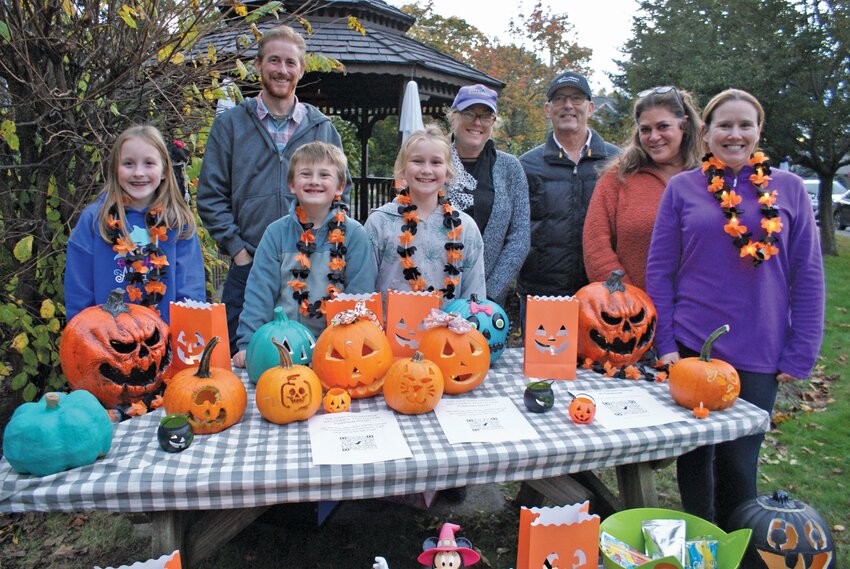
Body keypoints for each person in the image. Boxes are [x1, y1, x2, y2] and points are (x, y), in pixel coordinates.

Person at [645, 89, 824, 528]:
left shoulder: (791, 189)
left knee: (740, 466)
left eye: (746, 124)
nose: (735, 134)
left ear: (759, 131)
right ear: (705, 133)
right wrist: (665, 342)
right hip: (692, 348)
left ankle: (736, 541)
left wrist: (800, 350)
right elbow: (660, 270)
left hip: (760, 348)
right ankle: (702, 542)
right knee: (694, 461)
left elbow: (809, 276)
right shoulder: (683, 188)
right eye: (725, 125)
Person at [197, 24, 351, 355]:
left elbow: (343, 192)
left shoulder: (321, 128)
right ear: (259, 65)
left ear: (302, 69)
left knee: (313, 357)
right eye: (274, 61)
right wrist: (237, 250)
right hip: (249, 263)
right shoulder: (232, 125)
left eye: (290, 63)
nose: (282, 70)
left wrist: (325, 247)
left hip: (311, 267)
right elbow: (211, 195)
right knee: (243, 355)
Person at [232, 142, 376, 367]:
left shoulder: (354, 234)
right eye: (305, 174)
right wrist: (248, 344)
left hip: (339, 352)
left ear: (339, 186)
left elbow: (360, 294)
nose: (314, 181)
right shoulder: (276, 234)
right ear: (292, 184)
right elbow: (259, 294)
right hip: (283, 351)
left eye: (324, 174)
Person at [65, 125, 205, 325]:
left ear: (164, 170)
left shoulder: (178, 222)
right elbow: (78, 291)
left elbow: (191, 292)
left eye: (149, 163)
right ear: (115, 169)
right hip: (106, 343)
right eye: (128, 164)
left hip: (166, 343)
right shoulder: (93, 220)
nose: (139, 172)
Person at [583, 86, 701, 290]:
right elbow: (596, 247)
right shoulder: (618, 179)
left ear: (684, 124)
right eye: (646, 129)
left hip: (700, 311)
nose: (654, 137)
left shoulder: (710, 178)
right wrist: (628, 299)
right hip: (635, 314)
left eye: (663, 126)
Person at [518, 71, 619, 307]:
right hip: (542, 293)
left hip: (602, 293)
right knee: (545, 346)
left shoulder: (616, 162)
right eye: (559, 99)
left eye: (576, 98)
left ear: (591, 107)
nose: (568, 105)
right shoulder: (526, 165)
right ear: (547, 109)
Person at [365, 125, 486, 303]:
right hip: (388, 328)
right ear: (403, 169)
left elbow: (474, 294)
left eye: (436, 162)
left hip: (450, 328)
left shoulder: (465, 227)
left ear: (448, 171)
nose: (426, 170)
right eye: (418, 161)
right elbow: (365, 288)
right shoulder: (380, 222)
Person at [445, 84, 530, 306]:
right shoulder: (432, 161)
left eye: (485, 116)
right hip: (433, 291)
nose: (477, 122)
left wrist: (489, 294)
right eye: (469, 113)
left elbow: (520, 236)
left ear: (493, 123)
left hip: (488, 301)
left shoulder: (510, 167)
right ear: (453, 118)